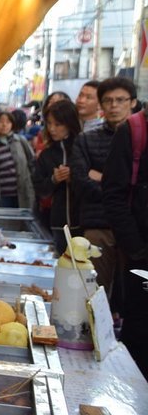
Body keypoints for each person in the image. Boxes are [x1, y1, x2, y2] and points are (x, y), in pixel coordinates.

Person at [69, 76, 138, 312]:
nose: (114, 106)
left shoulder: (139, 138)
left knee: (132, 294)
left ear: (133, 102)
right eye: (108, 100)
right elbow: (81, 181)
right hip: (98, 226)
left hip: (136, 226)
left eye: (120, 100)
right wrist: (117, 188)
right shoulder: (86, 139)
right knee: (93, 291)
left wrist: (102, 177)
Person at [102, 99, 148, 378]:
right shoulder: (132, 131)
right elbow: (114, 195)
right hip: (141, 255)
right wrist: (138, 250)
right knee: (140, 334)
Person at [31, 100, 82, 253]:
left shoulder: (82, 146)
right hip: (57, 222)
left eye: (58, 124)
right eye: (49, 124)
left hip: (83, 221)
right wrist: (54, 180)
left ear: (69, 123)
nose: (52, 129)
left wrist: (74, 178)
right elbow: (39, 188)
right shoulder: (46, 154)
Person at [0, 111, 35, 209]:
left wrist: (34, 188)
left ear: (12, 124)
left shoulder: (20, 140)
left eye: (8, 122)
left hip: (23, 192)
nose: (4, 125)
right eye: (1, 121)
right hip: (2, 195)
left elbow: (32, 163)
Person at [32, 91, 71, 157]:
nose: (53, 105)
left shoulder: (76, 139)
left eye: (59, 102)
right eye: (51, 101)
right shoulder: (42, 133)